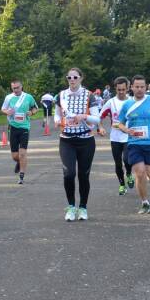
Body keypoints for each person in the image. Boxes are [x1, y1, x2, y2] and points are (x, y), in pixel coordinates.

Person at [115, 75, 150, 214]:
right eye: (136, 87)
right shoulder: (127, 105)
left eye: (142, 87)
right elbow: (119, 123)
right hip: (134, 144)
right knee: (140, 173)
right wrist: (126, 129)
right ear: (131, 87)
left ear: (146, 87)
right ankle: (145, 203)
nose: (139, 89)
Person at [54, 67, 100, 221]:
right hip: (66, 140)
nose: (72, 80)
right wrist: (56, 121)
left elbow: (97, 119)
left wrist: (83, 116)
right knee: (69, 174)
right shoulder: (61, 95)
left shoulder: (89, 96)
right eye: (69, 78)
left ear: (81, 78)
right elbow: (57, 113)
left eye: (75, 77)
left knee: (83, 175)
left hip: (85, 140)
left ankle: (83, 208)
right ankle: (71, 207)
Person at [100, 77, 133, 195]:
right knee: (118, 163)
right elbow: (100, 117)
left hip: (128, 136)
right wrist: (101, 127)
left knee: (127, 160)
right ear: (115, 89)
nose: (121, 92)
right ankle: (122, 185)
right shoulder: (111, 102)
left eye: (123, 89)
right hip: (115, 137)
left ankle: (129, 174)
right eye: (119, 90)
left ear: (128, 88)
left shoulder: (132, 101)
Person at [1, 80, 38, 184]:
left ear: (21, 87)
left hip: (24, 127)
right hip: (12, 127)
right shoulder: (8, 97)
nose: (16, 90)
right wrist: (7, 112)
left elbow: (35, 108)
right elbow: (3, 109)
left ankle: (21, 176)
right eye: (13, 88)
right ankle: (19, 162)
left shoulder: (28, 97)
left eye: (17, 87)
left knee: (22, 153)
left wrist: (31, 112)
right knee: (14, 156)